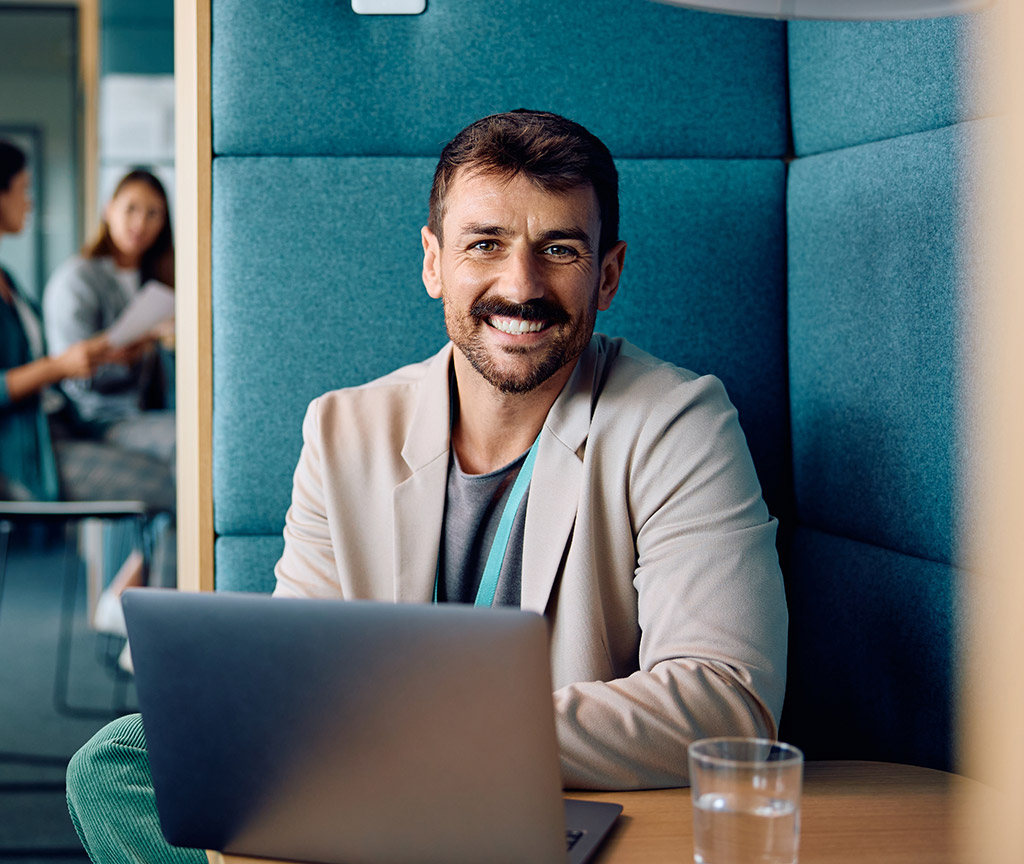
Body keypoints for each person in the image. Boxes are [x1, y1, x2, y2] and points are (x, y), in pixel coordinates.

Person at [63, 110, 788, 862]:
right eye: (485, 244)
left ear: (606, 274)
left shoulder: (681, 421)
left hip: (556, 813)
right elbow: (293, 688)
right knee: (118, 762)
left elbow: (728, 703)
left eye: (560, 249)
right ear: (433, 263)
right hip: (370, 798)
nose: (521, 285)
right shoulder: (342, 430)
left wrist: (439, 735)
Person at [0, 136, 176, 578]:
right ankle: (152, 631)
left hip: (57, 431)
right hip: (16, 461)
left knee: (189, 457)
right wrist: (62, 366)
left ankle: (137, 615)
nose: (29, 202)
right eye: (23, 189)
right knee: (189, 485)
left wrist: (95, 356)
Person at [42, 169, 175, 465]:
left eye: (153, 213)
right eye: (131, 209)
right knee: (190, 438)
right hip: (95, 418)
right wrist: (128, 355)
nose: (140, 223)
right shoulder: (77, 280)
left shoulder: (158, 279)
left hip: (144, 410)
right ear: (108, 209)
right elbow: (73, 379)